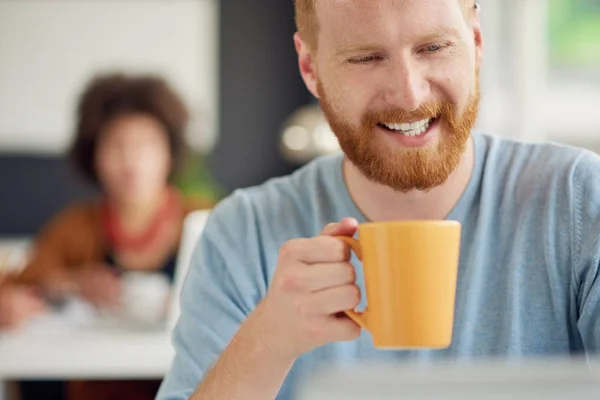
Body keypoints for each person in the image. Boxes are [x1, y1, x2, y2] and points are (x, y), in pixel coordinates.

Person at [157, 1, 600, 399]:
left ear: (477, 42)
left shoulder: (577, 199)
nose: (409, 94)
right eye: (366, 58)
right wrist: (266, 343)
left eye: (433, 48)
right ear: (310, 68)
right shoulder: (242, 233)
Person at [0, 72, 209, 399]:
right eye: (115, 146)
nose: (131, 162)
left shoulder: (203, 219)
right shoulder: (73, 227)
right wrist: (71, 283)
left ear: (169, 153)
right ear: (93, 157)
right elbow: (18, 291)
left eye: (145, 145)